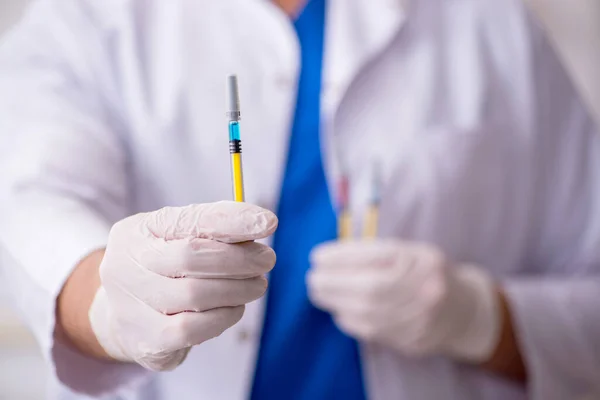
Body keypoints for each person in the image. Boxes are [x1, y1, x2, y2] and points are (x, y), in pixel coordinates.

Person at [0, 0, 599, 399]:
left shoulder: (490, 25)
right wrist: (110, 305)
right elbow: (35, 209)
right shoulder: (86, 20)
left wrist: (482, 319)